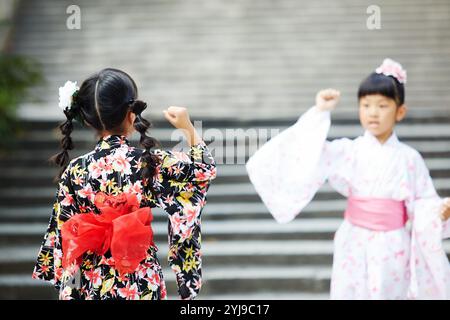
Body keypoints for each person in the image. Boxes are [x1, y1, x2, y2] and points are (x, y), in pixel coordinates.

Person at [246, 58, 450, 299]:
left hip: (394, 244)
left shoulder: (410, 158)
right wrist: (320, 112)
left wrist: (438, 211)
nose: (373, 112)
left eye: (382, 106)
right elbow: (309, 152)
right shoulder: (348, 151)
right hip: (354, 240)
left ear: (400, 111)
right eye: (365, 105)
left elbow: (423, 201)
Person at [32, 68, 217, 300]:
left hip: (92, 283)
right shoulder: (148, 162)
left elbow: (64, 240)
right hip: (139, 282)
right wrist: (187, 127)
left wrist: (70, 289)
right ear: (132, 113)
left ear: (87, 120)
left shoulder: (76, 170)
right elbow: (204, 170)